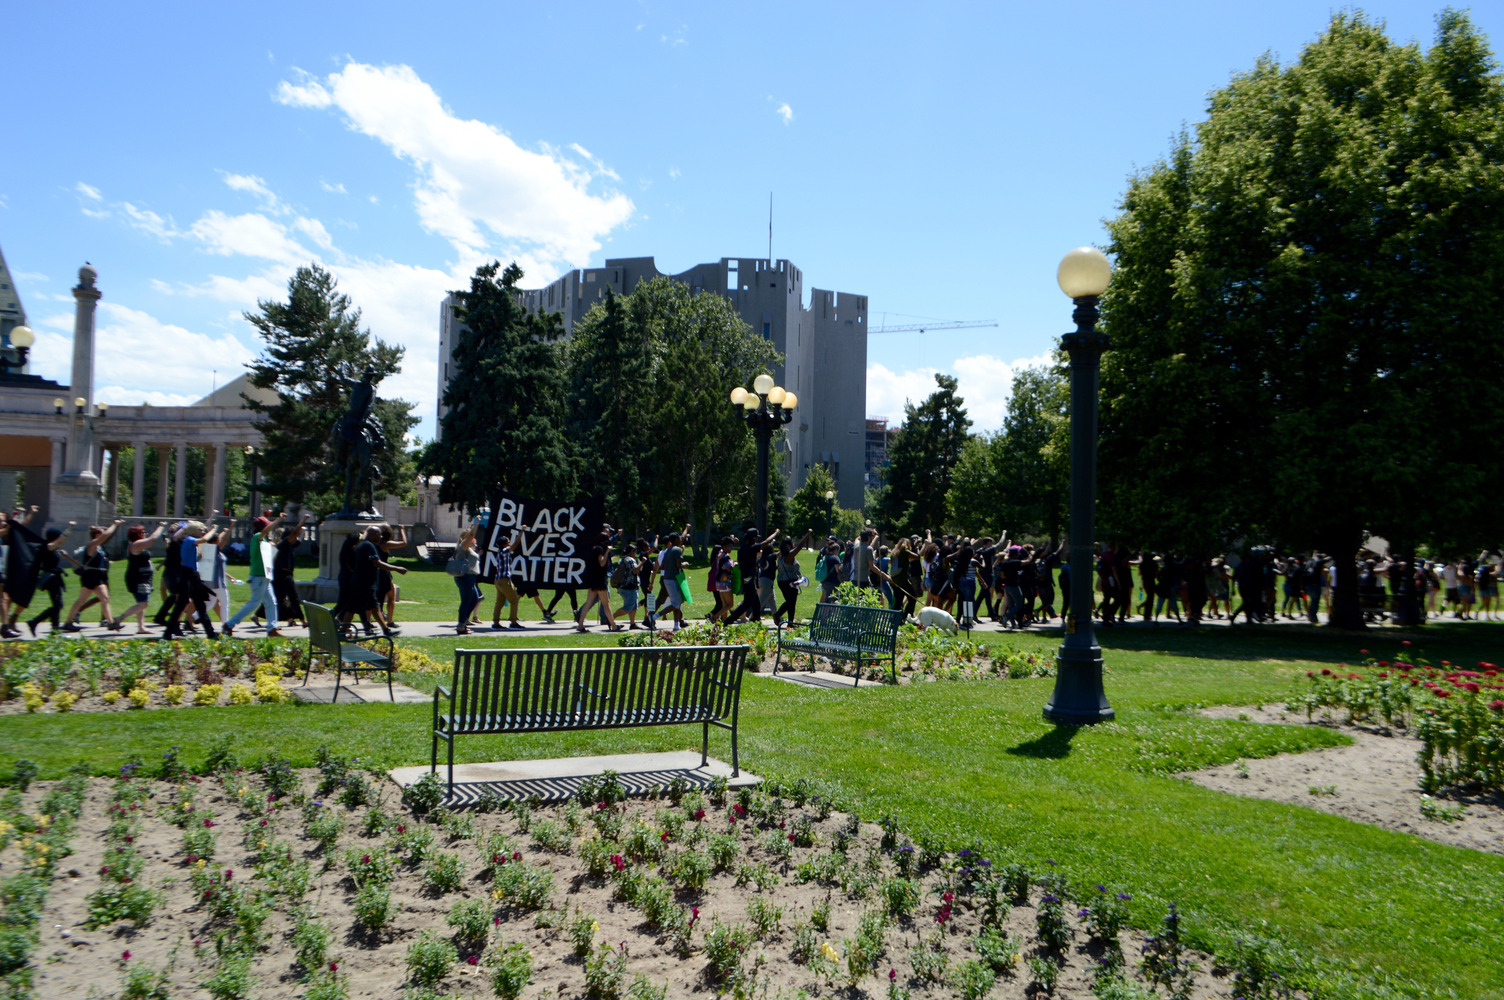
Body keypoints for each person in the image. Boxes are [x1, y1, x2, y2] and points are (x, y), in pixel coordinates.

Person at [223, 513, 286, 637]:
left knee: (272, 602)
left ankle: (272, 628)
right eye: (267, 525)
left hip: (265, 576)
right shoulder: (257, 536)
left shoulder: (264, 541)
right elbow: (265, 531)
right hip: (258, 576)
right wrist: (278, 520)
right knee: (254, 603)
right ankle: (229, 624)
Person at [60, 520, 125, 631]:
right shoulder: (92, 544)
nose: (104, 535)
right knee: (81, 600)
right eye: (102, 533)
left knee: (105, 598)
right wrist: (114, 524)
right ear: (97, 535)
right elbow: (106, 535)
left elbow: (108, 536)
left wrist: (117, 526)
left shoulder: (99, 546)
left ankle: (111, 623)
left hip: (98, 576)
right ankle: (68, 622)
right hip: (90, 577)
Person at [345, 526, 407, 637]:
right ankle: (343, 630)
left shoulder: (361, 545)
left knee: (374, 607)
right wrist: (397, 568)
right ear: (373, 535)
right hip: (364, 584)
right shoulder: (369, 546)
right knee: (352, 608)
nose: (381, 536)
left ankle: (386, 630)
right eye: (379, 534)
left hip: (361, 582)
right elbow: (377, 563)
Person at [161, 522, 218, 640]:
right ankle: (210, 633)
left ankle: (168, 633)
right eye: (200, 530)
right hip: (188, 575)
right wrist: (214, 529)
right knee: (191, 604)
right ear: (193, 530)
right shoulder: (189, 540)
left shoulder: (189, 541)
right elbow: (204, 539)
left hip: (190, 574)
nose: (202, 532)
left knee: (192, 604)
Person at [115, 523, 168, 634]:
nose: (145, 534)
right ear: (137, 534)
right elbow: (153, 540)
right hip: (138, 578)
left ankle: (141, 628)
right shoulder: (136, 544)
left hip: (142, 578)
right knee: (143, 603)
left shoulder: (135, 545)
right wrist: (161, 527)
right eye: (143, 532)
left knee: (140, 603)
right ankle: (119, 619)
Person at [272, 512, 311, 627]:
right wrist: (303, 520)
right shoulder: (283, 544)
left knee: (282, 599)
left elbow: (298, 540)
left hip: (284, 575)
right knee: (292, 598)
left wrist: (302, 532)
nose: (294, 538)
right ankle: (302, 621)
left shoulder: (289, 546)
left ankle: (291, 619)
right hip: (282, 575)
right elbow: (294, 533)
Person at [575, 531, 620, 632]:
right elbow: (602, 563)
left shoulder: (594, 548)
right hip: (600, 580)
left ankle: (580, 625)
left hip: (593, 579)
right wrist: (607, 552)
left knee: (588, 602)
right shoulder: (600, 549)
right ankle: (613, 625)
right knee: (606, 604)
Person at [377, 524, 408, 627]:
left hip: (375, 573)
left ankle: (368, 622)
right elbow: (404, 542)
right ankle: (390, 621)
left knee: (375, 599)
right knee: (391, 597)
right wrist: (401, 530)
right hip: (385, 572)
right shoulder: (386, 544)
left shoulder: (373, 544)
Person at [453, 525, 482, 635]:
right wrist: (477, 524)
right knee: (466, 601)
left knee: (474, 599)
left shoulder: (468, 549)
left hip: (470, 577)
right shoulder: (463, 546)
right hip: (465, 577)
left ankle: (464, 621)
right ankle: (461, 626)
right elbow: (470, 536)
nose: (474, 541)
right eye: (472, 539)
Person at [657, 531, 687, 630]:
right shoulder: (677, 550)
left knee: (678, 602)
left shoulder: (667, 550)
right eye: (679, 538)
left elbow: (662, 566)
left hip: (666, 578)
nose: (681, 539)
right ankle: (655, 616)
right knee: (676, 603)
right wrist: (684, 564)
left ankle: (676, 624)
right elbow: (678, 565)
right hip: (674, 579)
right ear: (675, 539)